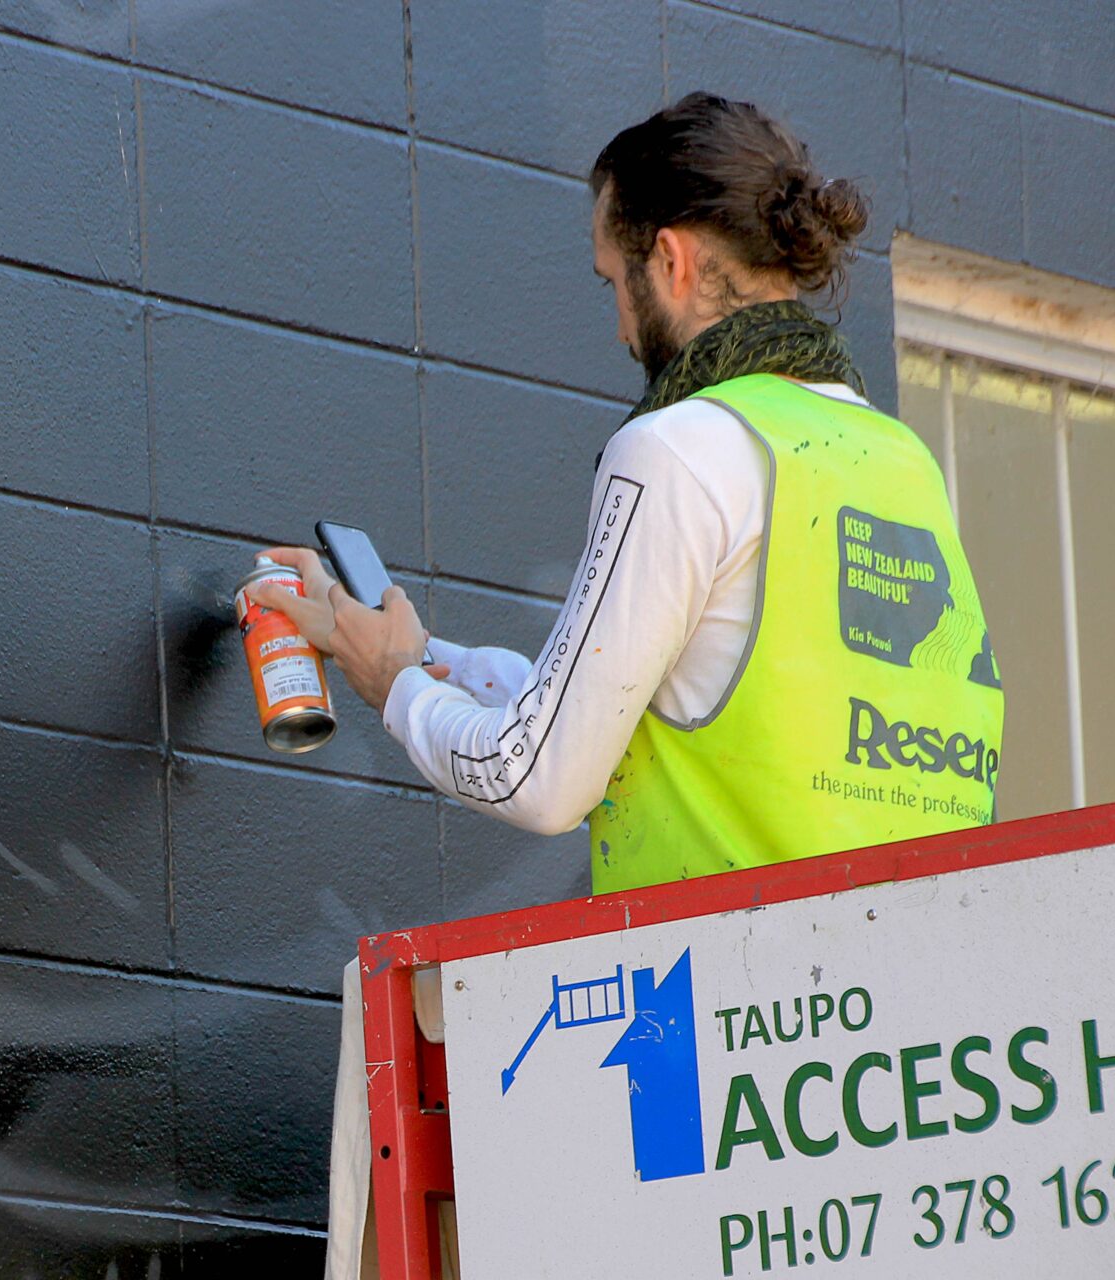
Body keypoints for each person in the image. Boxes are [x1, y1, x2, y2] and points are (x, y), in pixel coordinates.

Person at [264, 92, 1006, 1280]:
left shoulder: (679, 447)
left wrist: (396, 686)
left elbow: (539, 776)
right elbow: (707, 714)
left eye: (613, 280)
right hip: (887, 1075)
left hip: (715, 1060)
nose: (616, 322)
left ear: (673, 258)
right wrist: (441, 661)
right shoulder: (896, 458)